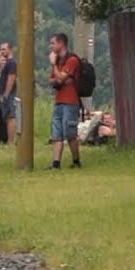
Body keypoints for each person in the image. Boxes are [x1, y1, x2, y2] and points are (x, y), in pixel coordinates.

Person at [47, 32, 83, 170]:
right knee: (56, 133)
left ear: (61, 43)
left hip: (70, 101)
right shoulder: (58, 61)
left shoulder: (72, 60)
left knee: (70, 132)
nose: (51, 46)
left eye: (53, 43)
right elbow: (52, 79)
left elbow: (61, 77)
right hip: (59, 101)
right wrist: (59, 77)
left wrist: (55, 67)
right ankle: (56, 163)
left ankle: (76, 161)